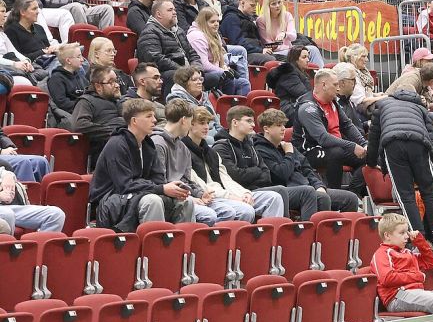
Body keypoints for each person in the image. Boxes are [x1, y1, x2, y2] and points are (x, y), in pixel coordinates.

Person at [154, 100, 282, 225]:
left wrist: (244, 193)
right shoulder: (187, 147)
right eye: (202, 123)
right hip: (202, 194)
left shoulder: (210, 152)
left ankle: (268, 242)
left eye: (208, 123)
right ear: (188, 123)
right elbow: (197, 181)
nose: (206, 127)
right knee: (238, 210)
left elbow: (226, 178)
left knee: (274, 197)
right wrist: (201, 195)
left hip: (214, 193)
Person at [90, 98, 194, 231]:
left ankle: (177, 249)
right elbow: (125, 185)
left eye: (154, 116)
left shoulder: (148, 145)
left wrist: (173, 189)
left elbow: (158, 179)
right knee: (153, 201)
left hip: (137, 194)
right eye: (149, 116)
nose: (155, 120)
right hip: (111, 200)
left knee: (185, 201)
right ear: (134, 121)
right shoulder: (116, 144)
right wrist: (161, 189)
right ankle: (153, 249)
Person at [214, 106, 322, 220]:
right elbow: (234, 176)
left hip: (260, 189)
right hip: (239, 192)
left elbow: (266, 174)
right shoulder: (222, 147)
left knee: (321, 195)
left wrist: (319, 185)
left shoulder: (250, 145)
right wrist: (256, 171)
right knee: (283, 190)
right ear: (235, 122)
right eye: (248, 121)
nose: (253, 125)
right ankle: (285, 231)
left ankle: (313, 234)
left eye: (253, 121)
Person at [365, 86, 433, 244]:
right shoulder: (420, 108)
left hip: (393, 143)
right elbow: (432, 134)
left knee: (406, 195)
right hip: (420, 143)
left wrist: (371, 161)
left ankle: (418, 239)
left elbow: (374, 136)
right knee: (429, 191)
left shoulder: (382, 104)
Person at [254, 109, 358, 213]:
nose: (283, 129)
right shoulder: (260, 149)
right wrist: (289, 154)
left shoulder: (288, 146)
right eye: (278, 125)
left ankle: (341, 229)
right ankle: (316, 228)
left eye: (284, 125)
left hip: (309, 187)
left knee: (350, 199)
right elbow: (281, 174)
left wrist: (319, 186)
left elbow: (307, 169)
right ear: (266, 129)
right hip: (288, 191)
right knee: (321, 198)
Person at [371, 213, 433, 314]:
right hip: (397, 296)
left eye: (407, 232)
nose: (406, 236)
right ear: (387, 235)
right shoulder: (381, 254)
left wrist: (420, 241)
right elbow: (387, 278)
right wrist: (417, 276)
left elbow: (430, 263)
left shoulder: (407, 252)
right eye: (402, 233)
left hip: (417, 293)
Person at [294, 68, 368, 190]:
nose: (338, 89)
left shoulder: (333, 102)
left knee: (371, 155)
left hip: (334, 147)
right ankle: (335, 194)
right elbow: (323, 139)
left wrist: (364, 144)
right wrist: (352, 146)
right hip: (308, 151)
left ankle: (352, 193)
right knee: (336, 153)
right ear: (323, 85)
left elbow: (347, 126)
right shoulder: (308, 108)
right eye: (335, 85)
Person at [136, 0, 201, 94]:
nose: (174, 12)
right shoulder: (149, 32)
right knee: (173, 76)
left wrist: (196, 69)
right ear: (158, 14)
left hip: (185, 70)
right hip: (165, 73)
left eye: (174, 10)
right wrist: (182, 71)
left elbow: (192, 53)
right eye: (170, 10)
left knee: (215, 76)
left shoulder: (179, 31)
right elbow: (156, 58)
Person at [187, 7, 249, 95]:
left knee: (243, 83)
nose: (216, 24)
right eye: (212, 22)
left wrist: (224, 67)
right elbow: (203, 65)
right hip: (203, 74)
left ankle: (238, 107)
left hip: (216, 70)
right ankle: (226, 106)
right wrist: (223, 71)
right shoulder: (197, 37)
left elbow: (220, 59)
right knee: (227, 77)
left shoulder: (214, 34)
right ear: (203, 23)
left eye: (217, 21)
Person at [71, 65, 124, 162]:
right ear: (98, 86)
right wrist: (114, 131)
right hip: (103, 151)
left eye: (117, 81)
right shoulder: (86, 101)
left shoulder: (118, 102)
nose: (117, 85)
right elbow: (79, 125)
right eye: (111, 82)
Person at [258, 0, 324, 67]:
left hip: (290, 49)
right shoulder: (261, 20)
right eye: (273, 4)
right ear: (267, 6)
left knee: (313, 49)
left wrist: (285, 34)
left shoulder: (287, 15)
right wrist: (279, 42)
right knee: (295, 55)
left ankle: (322, 73)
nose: (277, 6)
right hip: (276, 53)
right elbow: (267, 44)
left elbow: (293, 36)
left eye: (279, 2)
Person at [0, 159, 63, 233]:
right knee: (8, 214)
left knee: (55, 214)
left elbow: (3, 172)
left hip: (9, 207)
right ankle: (9, 244)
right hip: (6, 211)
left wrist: (8, 176)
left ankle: (40, 243)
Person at [266, 45, 313, 124]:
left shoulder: (300, 73)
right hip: (289, 108)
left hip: (298, 105)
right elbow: (302, 93)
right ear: (295, 59)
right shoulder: (288, 73)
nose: (308, 60)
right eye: (304, 57)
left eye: (308, 57)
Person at [47, 43, 88, 127]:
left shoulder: (80, 76)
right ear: (68, 61)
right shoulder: (56, 79)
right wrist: (84, 106)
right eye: (78, 56)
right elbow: (62, 103)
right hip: (74, 115)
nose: (82, 60)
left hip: (86, 111)